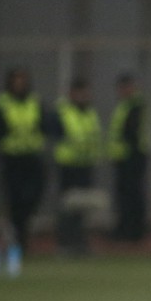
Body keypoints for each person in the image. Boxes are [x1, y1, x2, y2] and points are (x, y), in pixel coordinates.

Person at [0, 67, 48, 261]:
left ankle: (20, 234)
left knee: (31, 198)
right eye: (16, 80)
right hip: (12, 159)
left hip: (32, 158)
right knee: (15, 202)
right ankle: (17, 240)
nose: (20, 84)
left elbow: (45, 124)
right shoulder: (3, 103)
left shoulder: (35, 102)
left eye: (23, 80)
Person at [49, 77, 103, 257]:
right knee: (67, 206)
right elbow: (57, 136)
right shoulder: (63, 112)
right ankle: (65, 243)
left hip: (85, 165)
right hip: (68, 165)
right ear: (72, 93)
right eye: (81, 92)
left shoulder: (90, 112)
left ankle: (80, 243)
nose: (84, 96)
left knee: (82, 207)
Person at [109, 73, 151, 243]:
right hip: (124, 155)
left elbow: (130, 131)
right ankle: (125, 227)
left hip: (134, 155)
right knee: (125, 194)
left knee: (132, 194)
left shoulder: (136, 104)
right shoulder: (126, 105)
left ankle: (133, 230)